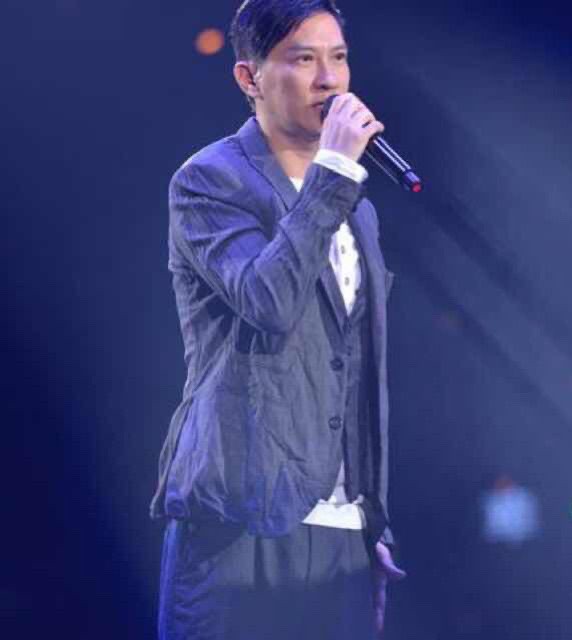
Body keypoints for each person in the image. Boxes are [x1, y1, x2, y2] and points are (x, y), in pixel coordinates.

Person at [151, 1, 405, 638]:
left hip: (343, 536)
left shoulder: (356, 208)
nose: (329, 79)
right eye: (303, 58)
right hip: (240, 523)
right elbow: (267, 302)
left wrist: (371, 521)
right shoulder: (210, 182)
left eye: (338, 58)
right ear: (250, 77)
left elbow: (356, 369)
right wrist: (334, 171)